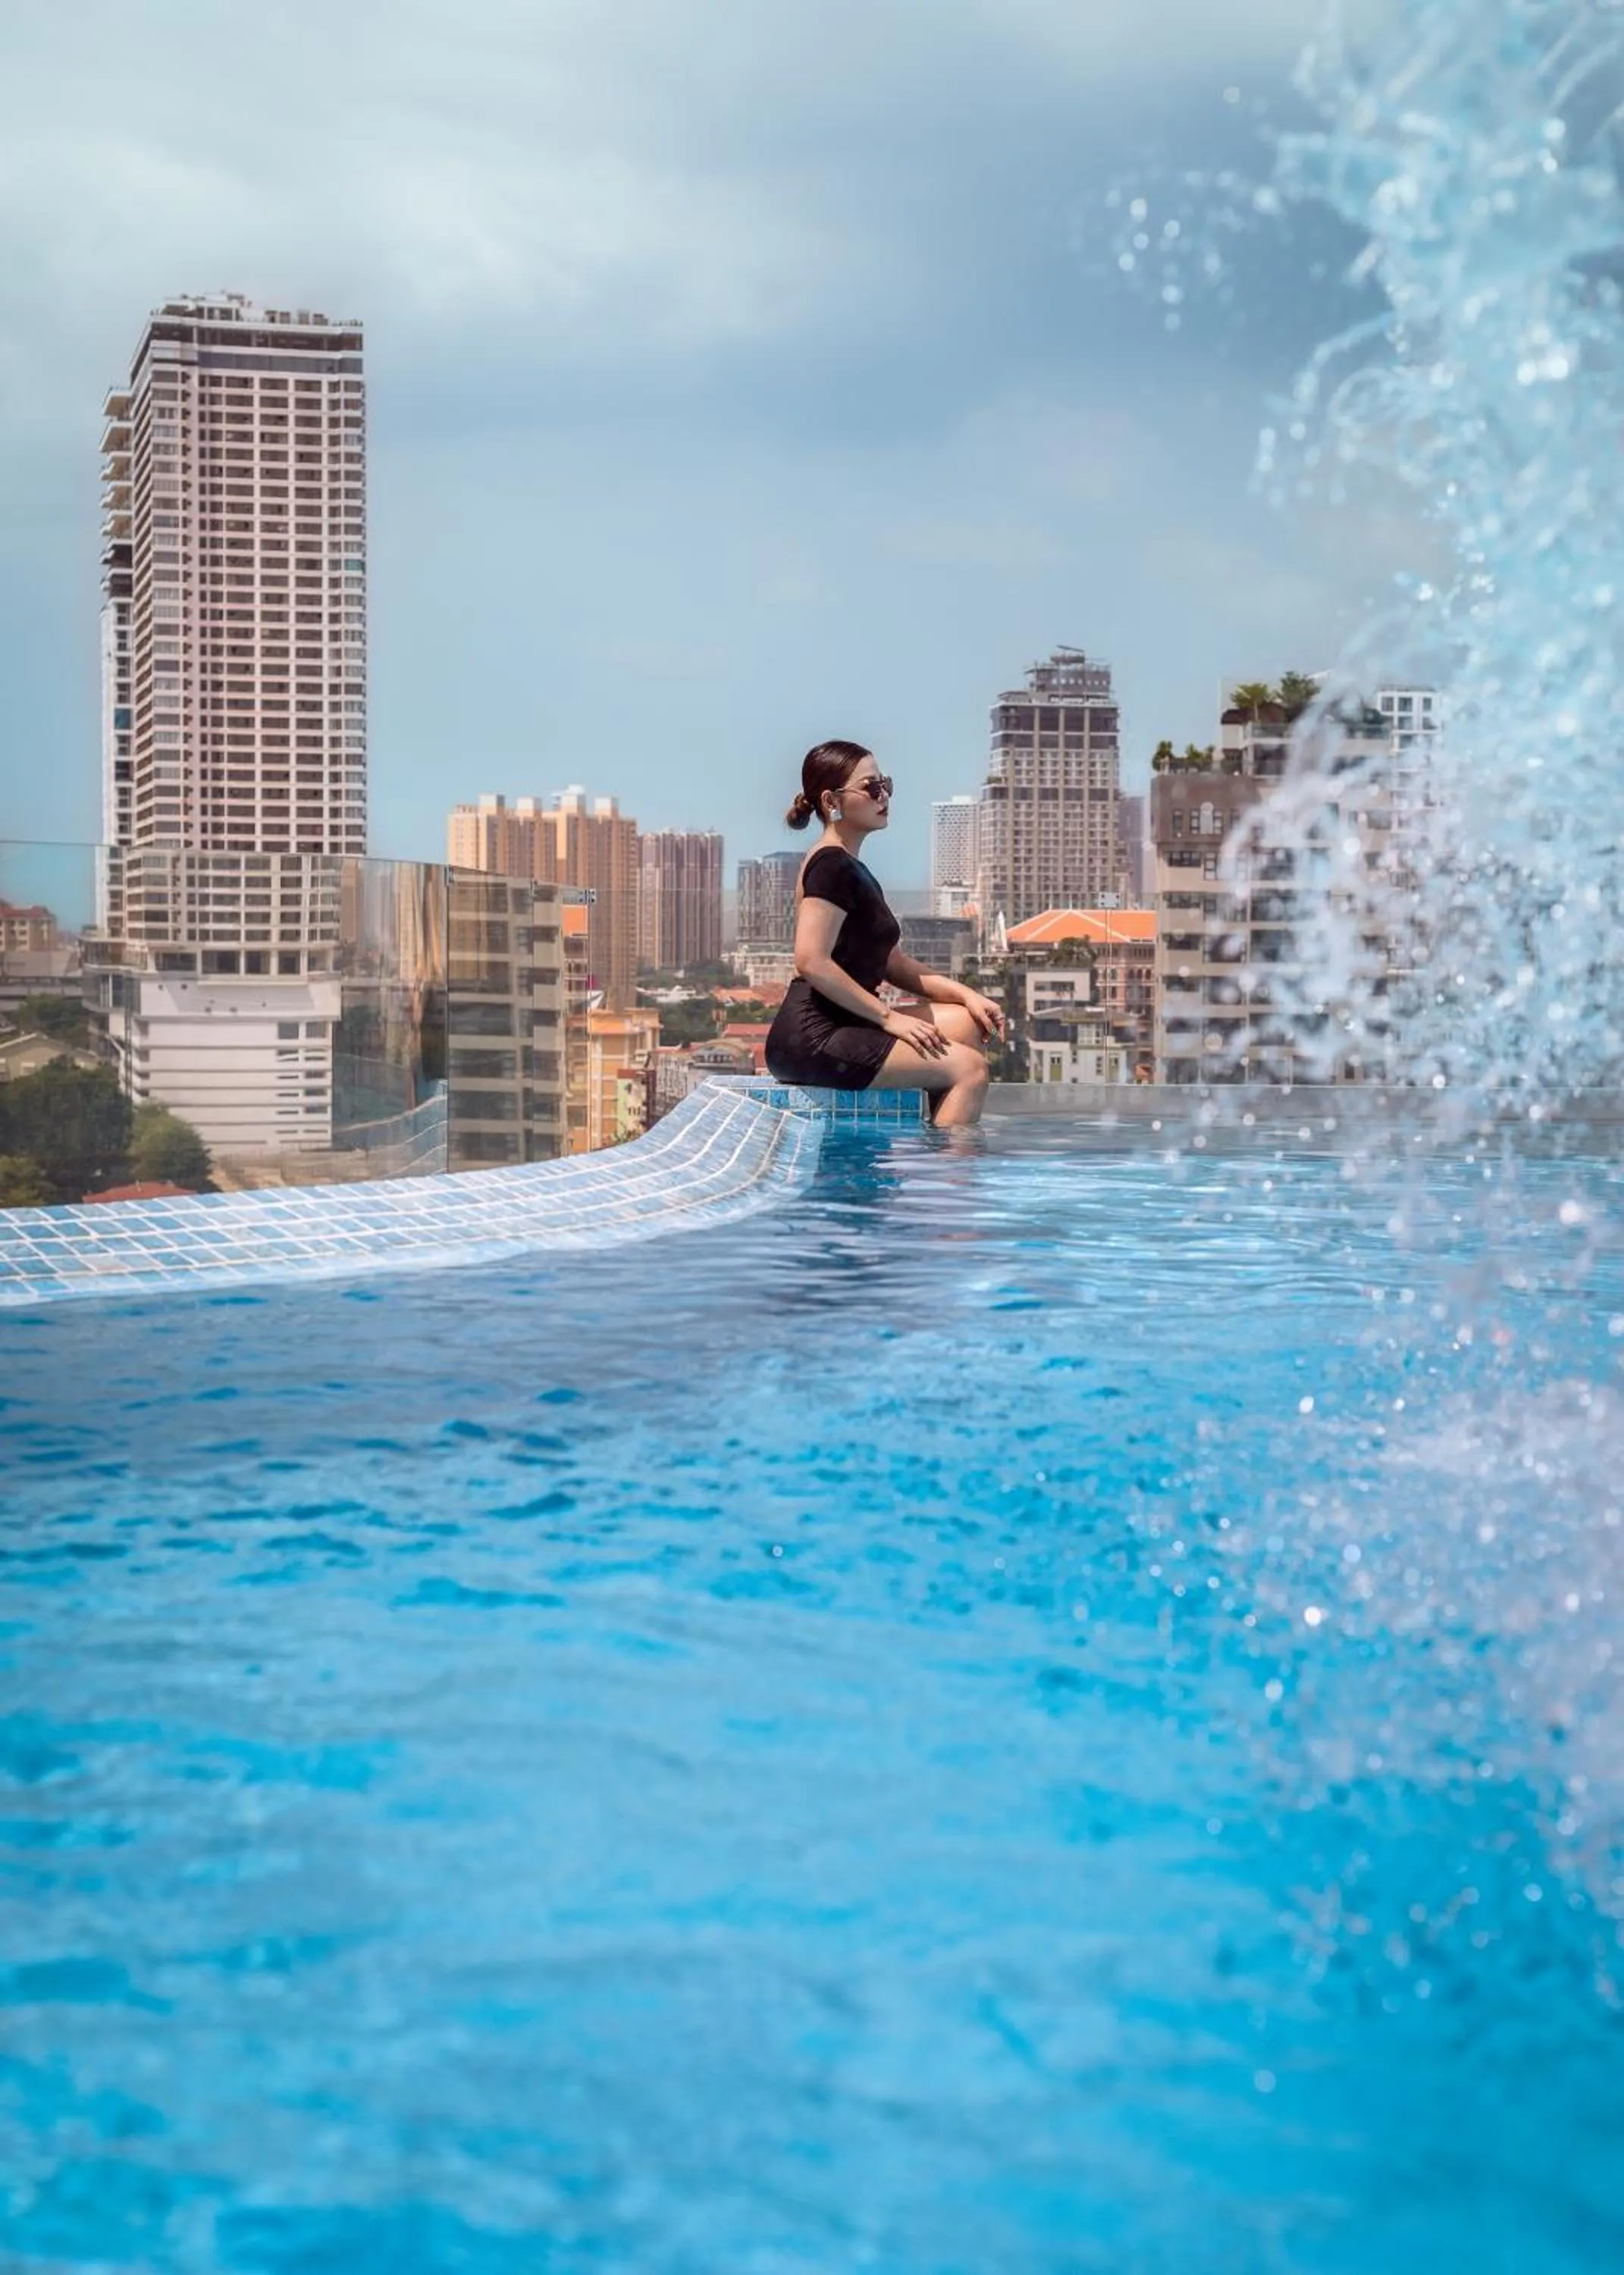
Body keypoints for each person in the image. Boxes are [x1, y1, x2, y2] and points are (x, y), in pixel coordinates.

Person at [763, 740, 1002, 1128]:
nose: (883, 795)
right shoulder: (831, 865)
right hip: (814, 1035)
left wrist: (967, 995)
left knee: (967, 1023)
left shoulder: (851, 865)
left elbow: (892, 962)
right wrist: (889, 1018)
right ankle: (948, 1163)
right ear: (831, 801)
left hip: (849, 1021)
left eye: (885, 784)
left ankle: (940, 1135)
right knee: (970, 1070)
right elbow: (810, 960)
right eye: (871, 787)